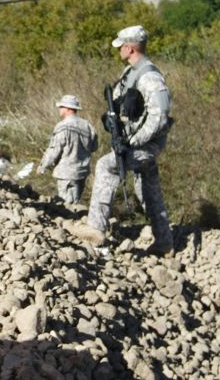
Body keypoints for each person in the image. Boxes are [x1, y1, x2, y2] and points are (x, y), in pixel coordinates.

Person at [67, 25, 174, 256]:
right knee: (147, 187)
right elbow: (121, 104)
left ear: (130, 47)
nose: (119, 51)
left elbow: (160, 117)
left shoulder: (150, 77)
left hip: (143, 144)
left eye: (122, 46)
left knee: (106, 166)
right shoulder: (130, 73)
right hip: (133, 141)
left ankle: (96, 227)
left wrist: (134, 141)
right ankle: (164, 241)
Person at [38, 94, 98, 204]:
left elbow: (55, 150)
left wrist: (43, 165)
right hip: (82, 172)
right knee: (75, 202)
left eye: (61, 107)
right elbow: (94, 147)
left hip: (66, 174)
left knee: (67, 207)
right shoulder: (87, 125)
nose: (59, 109)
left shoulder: (62, 126)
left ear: (68, 109)